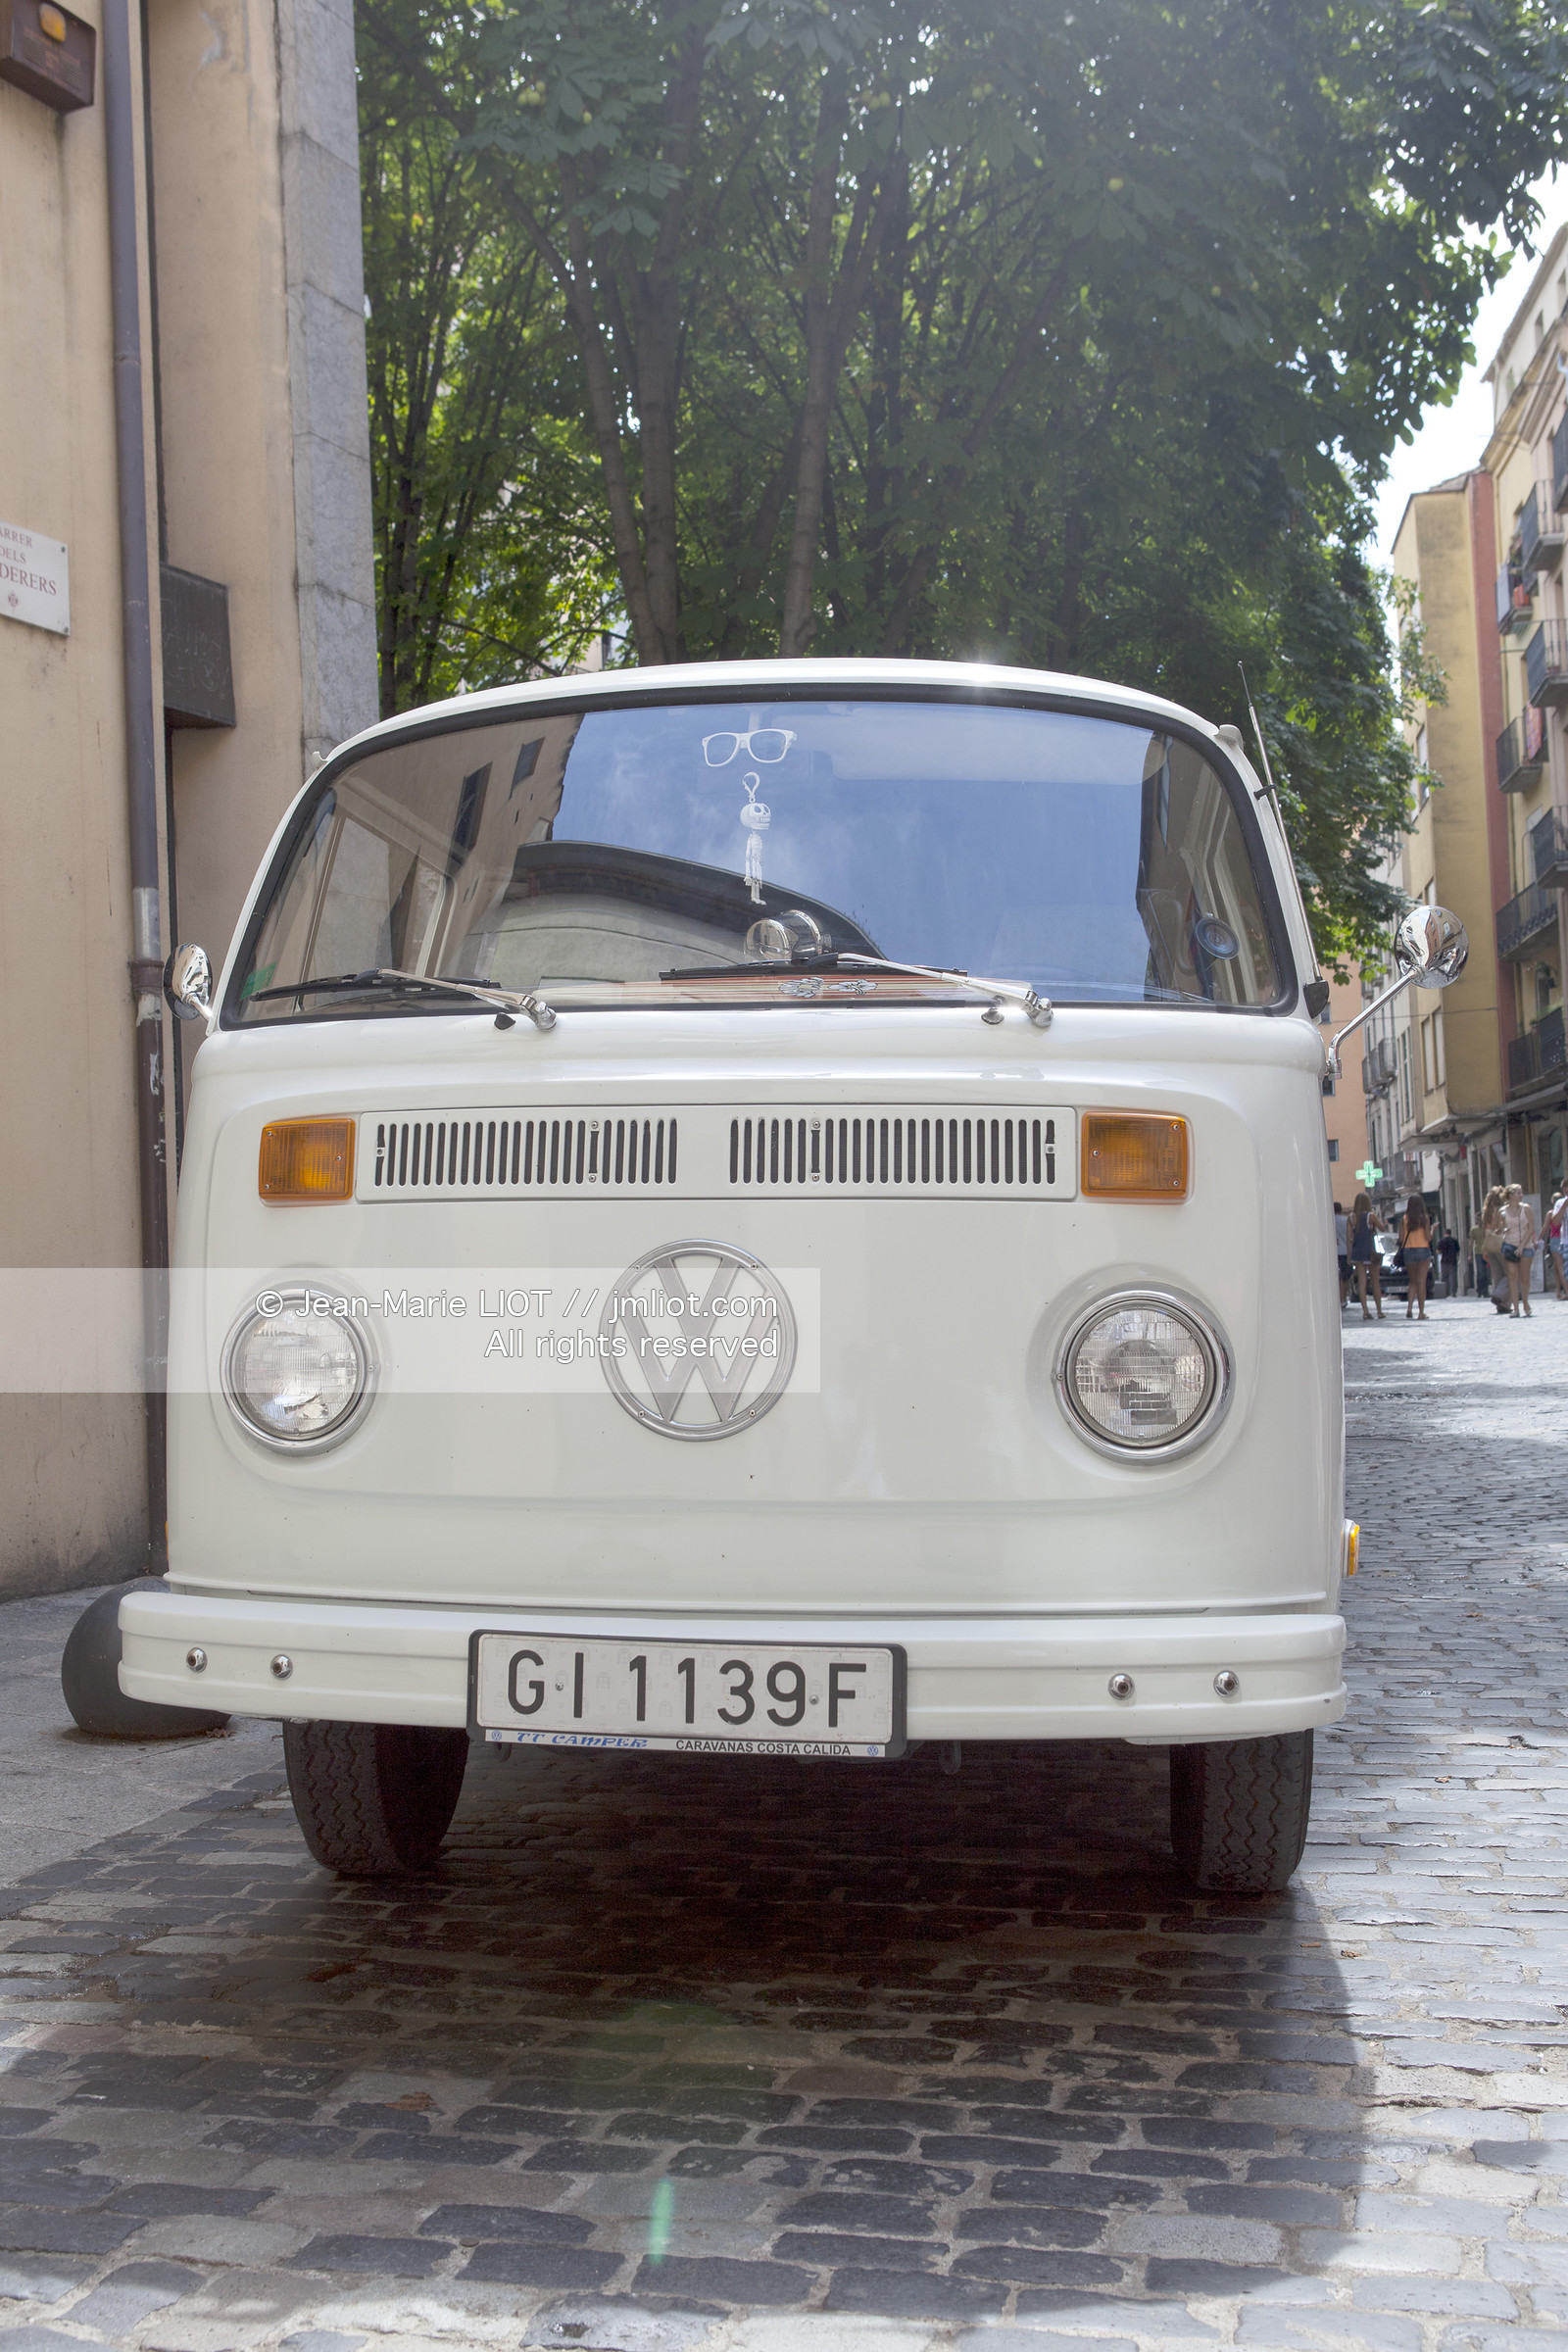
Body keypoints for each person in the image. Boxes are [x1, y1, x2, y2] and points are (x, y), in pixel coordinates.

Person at [1501, 1182, 1538, 1318]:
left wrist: (1522, 1246)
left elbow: (1531, 1228)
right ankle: (1515, 1308)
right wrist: (1502, 1230)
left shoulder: (1526, 1208)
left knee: (1524, 1278)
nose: (1521, 1195)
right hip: (1510, 1245)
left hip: (1526, 1246)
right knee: (1512, 1276)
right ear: (1511, 1195)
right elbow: (1499, 1228)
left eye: (1522, 1192)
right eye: (1519, 1193)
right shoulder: (1503, 1211)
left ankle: (1526, 1303)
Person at [1348, 1191, 1384, 1320]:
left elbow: (1349, 1238)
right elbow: (1382, 1228)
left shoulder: (1351, 1217)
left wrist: (1349, 1256)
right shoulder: (1371, 1216)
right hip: (1370, 1252)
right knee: (1375, 1282)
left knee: (1362, 1283)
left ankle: (1365, 1311)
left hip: (1357, 1252)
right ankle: (1379, 1311)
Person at [1398, 1194, 1434, 1320]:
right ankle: (1421, 1312)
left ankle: (1409, 1308)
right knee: (1421, 1282)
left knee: (1412, 1281)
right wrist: (1433, 1230)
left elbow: (1401, 1239)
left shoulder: (1404, 1219)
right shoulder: (1424, 1218)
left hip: (1409, 1251)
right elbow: (1428, 1238)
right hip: (1423, 1250)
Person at [1480, 1186, 1509, 1313]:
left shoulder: (1486, 1212)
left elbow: (1484, 1231)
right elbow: (1503, 1227)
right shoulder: (1501, 1210)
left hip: (1490, 1245)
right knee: (1511, 1274)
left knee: (1497, 1276)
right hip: (1501, 1244)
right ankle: (1499, 1295)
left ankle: (1501, 1305)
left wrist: (1485, 1250)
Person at [1545, 1190, 1567, 1300]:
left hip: (1555, 1239)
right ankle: (1562, 1291)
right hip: (1560, 1240)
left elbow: (1545, 1229)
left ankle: (1559, 1291)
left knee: (1558, 1267)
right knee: (1559, 1267)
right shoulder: (1554, 1212)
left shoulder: (1551, 1212)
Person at [1333, 1200, 1350, 1308]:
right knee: (1345, 1277)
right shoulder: (1346, 1220)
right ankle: (1343, 1299)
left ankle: (1336, 1299)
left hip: (1334, 1252)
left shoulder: (1329, 1221)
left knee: (1335, 1277)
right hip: (1345, 1251)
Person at [1439, 1226, 1460, 1299]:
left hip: (1444, 1261)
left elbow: (1438, 1251)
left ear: (1445, 1233)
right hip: (1452, 1261)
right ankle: (1453, 1292)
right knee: (1452, 1277)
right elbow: (1458, 1250)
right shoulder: (1454, 1240)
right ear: (1450, 1233)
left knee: (1444, 1277)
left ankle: (1445, 1292)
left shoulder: (1441, 1241)